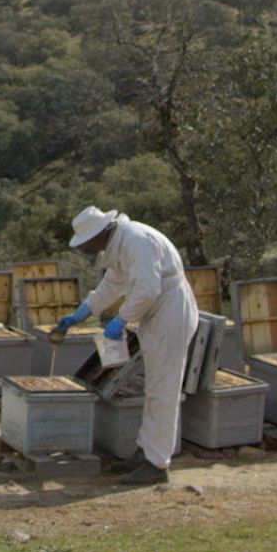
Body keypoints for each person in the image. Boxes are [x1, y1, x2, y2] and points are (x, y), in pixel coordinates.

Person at [56, 206, 199, 485]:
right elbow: (112, 284)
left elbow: (147, 289)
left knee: (163, 389)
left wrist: (120, 320)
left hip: (169, 310)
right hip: (158, 311)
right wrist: (84, 311)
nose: (89, 249)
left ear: (99, 235)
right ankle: (146, 452)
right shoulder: (123, 244)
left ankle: (157, 464)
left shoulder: (136, 240)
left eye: (88, 244)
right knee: (154, 387)